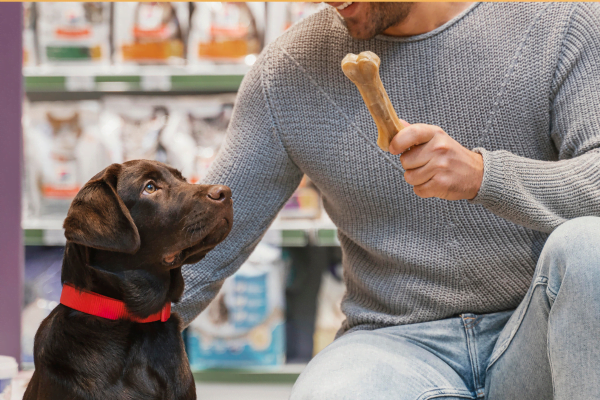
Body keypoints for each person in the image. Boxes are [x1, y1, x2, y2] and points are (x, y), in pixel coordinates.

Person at [173, 2, 600, 399]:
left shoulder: (559, 24)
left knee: (590, 245)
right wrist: (110, 328)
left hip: (540, 329)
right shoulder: (288, 70)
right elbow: (201, 245)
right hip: (392, 345)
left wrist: (484, 176)